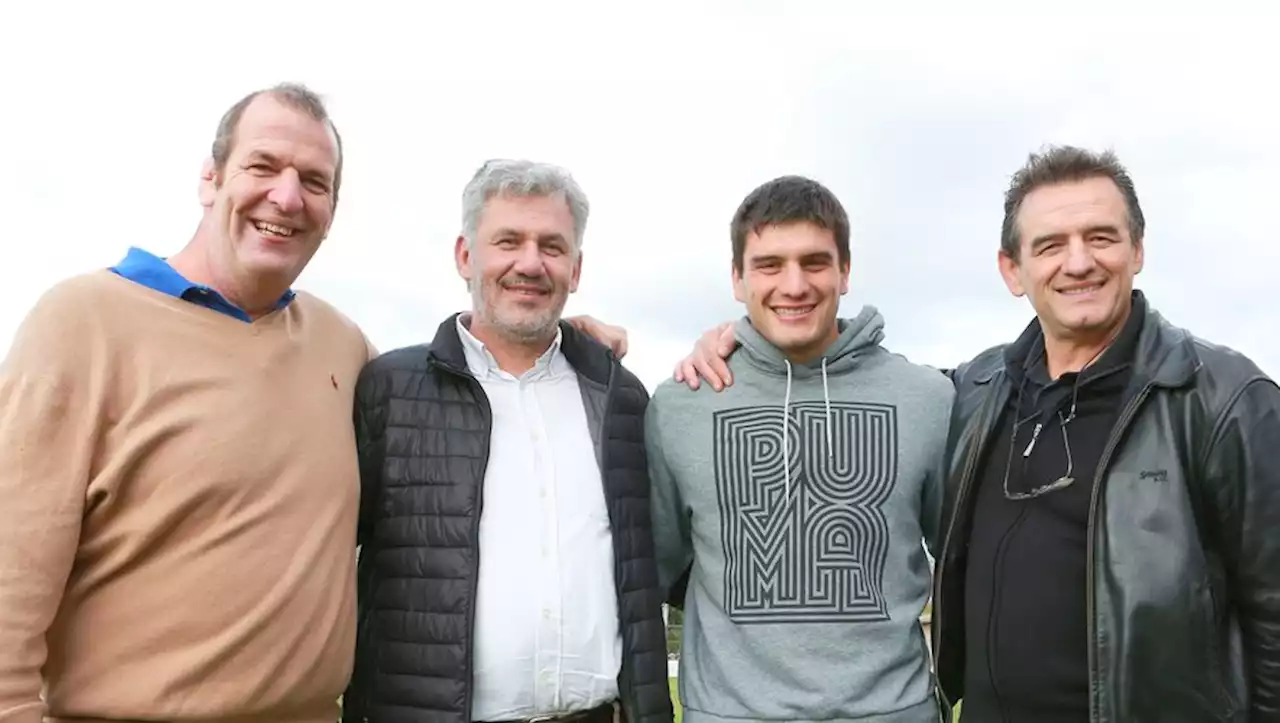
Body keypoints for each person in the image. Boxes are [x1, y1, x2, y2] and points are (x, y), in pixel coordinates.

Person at [671, 146, 1280, 722]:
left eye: (1100, 237)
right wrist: (741, 345)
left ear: (1137, 249)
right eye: (1049, 245)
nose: (1078, 261)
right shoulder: (977, 392)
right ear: (1012, 270)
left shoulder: (1224, 400)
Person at [0, 83, 373, 722]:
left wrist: (568, 347)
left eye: (315, 181)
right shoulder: (84, 323)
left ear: (332, 210)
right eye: (263, 166)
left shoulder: (345, 348)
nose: (287, 197)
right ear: (211, 178)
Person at [341, 159, 673, 723]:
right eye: (508, 241)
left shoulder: (621, 398)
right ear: (466, 256)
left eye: (551, 246)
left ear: (576, 267)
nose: (530, 263)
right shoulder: (387, 391)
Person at [645, 175, 954, 723]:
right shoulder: (679, 405)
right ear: (738, 279)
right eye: (769, 265)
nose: (794, 285)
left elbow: (960, 562)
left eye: (815, 262)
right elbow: (657, 570)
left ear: (845, 271)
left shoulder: (929, 400)